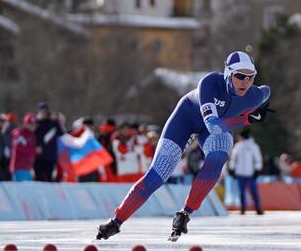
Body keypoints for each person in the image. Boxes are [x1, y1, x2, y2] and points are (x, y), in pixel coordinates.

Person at [97, 50, 273, 241]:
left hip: (218, 127)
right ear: (228, 74)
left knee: (218, 157)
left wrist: (250, 114)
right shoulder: (210, 83)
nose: (245, 82)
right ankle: (116, 222)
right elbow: (213, 126)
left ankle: (184, 214)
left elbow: (267, 91)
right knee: (158, 174)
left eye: (250, 77)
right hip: (188, 119)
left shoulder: (256, 94)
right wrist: (246, 120)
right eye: (240, 76)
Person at [229, 127, 263, 215]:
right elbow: (233, 158)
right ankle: (243, 208)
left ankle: (258, 208)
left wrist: (257, 170)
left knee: (254, 192)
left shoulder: (253, 146)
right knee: (241, 192)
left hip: (250, 174)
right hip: (240, 173)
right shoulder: (238, 146)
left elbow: (258, 159)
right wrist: (232, 169)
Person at [34, 102, 62, 182]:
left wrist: (56, 121)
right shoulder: (36, 123)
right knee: (39, 178)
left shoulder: (53, 122)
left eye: (45, 110)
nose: (44, 112)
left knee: (49, 178)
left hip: (51, 156)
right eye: (42, 110)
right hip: (39, 157)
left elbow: (61, 133)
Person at [11, 113, 37, 181]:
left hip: (28, 168)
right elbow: (19, 148)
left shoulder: (32, 135)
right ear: (25, 124)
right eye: (30, 124)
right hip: (19, 168)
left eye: (34, 124)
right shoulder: (20, 134)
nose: (32, 126)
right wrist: (33, 149)